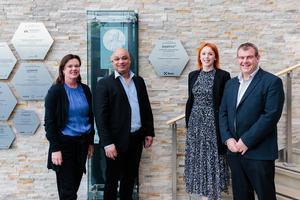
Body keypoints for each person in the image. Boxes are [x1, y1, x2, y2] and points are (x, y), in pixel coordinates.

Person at [219, 42, 285, 200]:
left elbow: (271, 116)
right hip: (234, 153)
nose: (245, 61)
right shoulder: (231, 84)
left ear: (257, 58)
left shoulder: (272, 82)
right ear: (237, 59)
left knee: (265, 196)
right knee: (241, 196)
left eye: (249, 57)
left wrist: (246, 140)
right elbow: (223, 113)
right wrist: (228, 139)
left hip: (259, 153)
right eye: (241, 57)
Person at [94, 48, 155, 200]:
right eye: (117, 59)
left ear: (130, 60)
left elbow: (145, 108)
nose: (121, 62)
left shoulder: (138, 81)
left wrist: (149, 132)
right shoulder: (105, 84)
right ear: (112, 62)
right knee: (112, 181)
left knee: (129, 179)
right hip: (115, 142)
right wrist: (107, 143)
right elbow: (101, 117)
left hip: (136, 138)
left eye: (124, 58)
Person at [44, 54, 95, 200]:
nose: (74, 69)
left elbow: (90, 117)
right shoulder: (56, 91)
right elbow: (50, 123)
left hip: (82, 145)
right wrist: (55, 149)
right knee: (68, 192)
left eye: (77, 66)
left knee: (74, 187)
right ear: (63, 70)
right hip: (64, 146)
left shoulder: (85, 89)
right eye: (70, 66)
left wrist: (90, 142)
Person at [185, 42, 231, 200]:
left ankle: (213, 195)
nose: (206, 57)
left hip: (213, 124)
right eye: (204, 53)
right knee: (199, 159)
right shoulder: (192, 75)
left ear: (215, 57)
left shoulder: (223, 76)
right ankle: (204, 196)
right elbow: (190, 100)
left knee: (213, 159)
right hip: (195, 124)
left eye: (210, 54)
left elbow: (225, 103)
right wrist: (188, 125)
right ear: (199, 56)